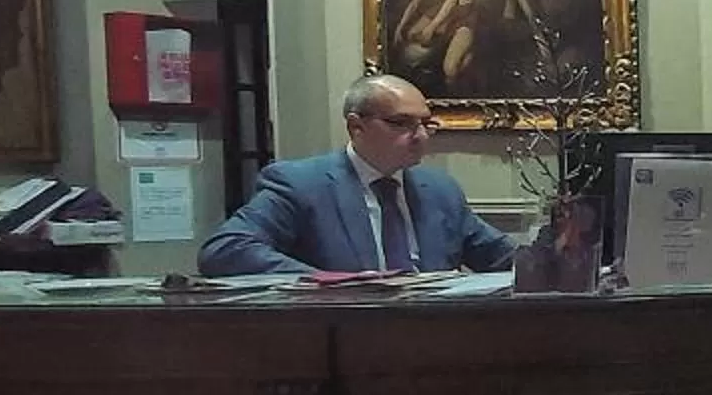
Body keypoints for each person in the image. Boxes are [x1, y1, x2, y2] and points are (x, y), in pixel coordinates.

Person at [198, 74, 515, 277]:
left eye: (426, 124)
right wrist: (326, 284)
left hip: (431, 340)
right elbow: (226, 250)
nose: (420, 136)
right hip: (342, 344)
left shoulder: (439, 191)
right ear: (356, 126)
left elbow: (503, 258)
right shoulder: (302, 184)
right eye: (401, 123)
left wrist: (557, 249)